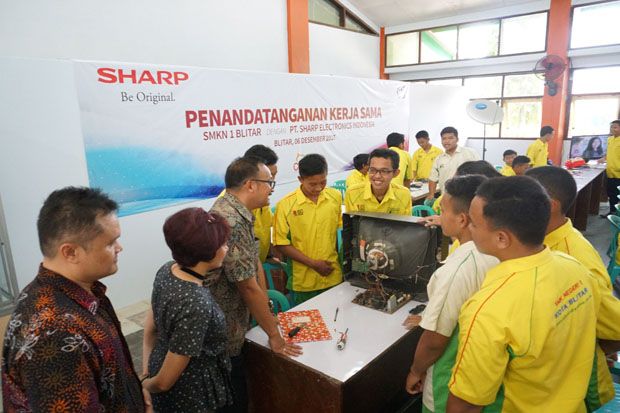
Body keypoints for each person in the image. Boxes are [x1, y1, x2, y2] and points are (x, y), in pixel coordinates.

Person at [447, 176, 620, 412]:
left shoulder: (488, 309)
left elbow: (466, 404)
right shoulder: (573, 266)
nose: (468, 227)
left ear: (501, 238)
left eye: (474, 224)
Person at [2, 187, 148, 412]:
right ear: (70, 252)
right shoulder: (54, 335)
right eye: (110, 243)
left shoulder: (83, 292)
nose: (120, 248)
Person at [210, 157, 302, 412]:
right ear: (251, 185)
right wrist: (275, 335)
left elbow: (253, 263)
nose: (271, 188)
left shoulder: (239, 211)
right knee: (234, 397)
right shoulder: (230, 219)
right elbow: (246, 286)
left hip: (241, 318)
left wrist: (266, 309)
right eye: (268, 182)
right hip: (225, 328)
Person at [404, 175, 499, 413]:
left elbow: (435, 341)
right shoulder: (497, 249)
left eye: (443, 209)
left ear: (462, 218)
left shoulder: (456, 271)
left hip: (450, 378)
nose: (440, 215)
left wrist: (416, 370)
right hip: (487, 375)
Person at [526, 166, 615, 410]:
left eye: (521, 199)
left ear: (550, 205)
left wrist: (586, 349)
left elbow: (615, 326)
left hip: (568, 385)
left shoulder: (574, 257)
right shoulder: (543, 241)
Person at [142, 208, 233, 412]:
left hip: (159, 362)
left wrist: (147, 371)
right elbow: (165, 382)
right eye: (223, 244)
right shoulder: (195, 302)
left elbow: (151, 328)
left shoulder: (167, 269)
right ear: (207, 251)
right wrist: (144, 386)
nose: (226, 249)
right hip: (191, 391)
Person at [274, 154, 342, 304]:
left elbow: (338, 233)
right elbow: (281, 243)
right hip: (303, 281)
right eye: (312, 184)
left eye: (323, 182)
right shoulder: (285, 205)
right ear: (301, 180)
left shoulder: (335, 197)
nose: (318, 188)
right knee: (306, 324)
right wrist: (313, 263)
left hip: (333, 274)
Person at [345, 148, 412, 215]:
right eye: (372, 170)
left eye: (384, 171)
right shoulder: (352, 193)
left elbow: (405, 224)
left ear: (395, 173)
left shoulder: (404, 194)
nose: (377, 176)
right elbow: (351, 224)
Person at [426, 126, 479, 205]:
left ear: (457, 139)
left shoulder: (470, 153)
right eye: (444, 138)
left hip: (467, 198)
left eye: (450, 138)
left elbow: (480, 172)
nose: (447, 141)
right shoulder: (439, 159)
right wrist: (431, 195)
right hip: (446, 198)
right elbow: (433, 179)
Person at [601, 120, 620, 216]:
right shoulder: (610, 139)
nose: (612, 129)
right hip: (610, 172)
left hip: (618, 174)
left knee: (617, 195)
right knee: (611, 194)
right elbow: (609, 154)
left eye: (615, 127)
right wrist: (603, 159)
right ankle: (612, 212)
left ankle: (616, 213)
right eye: (611, 127)